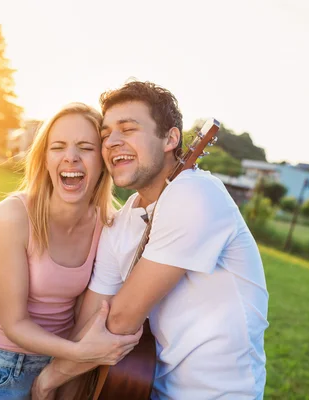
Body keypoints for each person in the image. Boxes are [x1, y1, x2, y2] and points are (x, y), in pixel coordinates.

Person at [33, 81, 269, 400]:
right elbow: (89, 320)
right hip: (145, 389)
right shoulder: (121, 220)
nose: (112, 142)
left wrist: (49, 379)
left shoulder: (196, 194)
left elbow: (119, 320)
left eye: (128, 129)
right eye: (105, 135)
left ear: (171, 139)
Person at [0, 103, 143, 400]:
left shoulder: (107, 225)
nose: (71, 157)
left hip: (62, 366)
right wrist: (80, 353)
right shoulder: (12, 216)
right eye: (58, 147)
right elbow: (14, 324)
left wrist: (67, 367)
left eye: (85, 147)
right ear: (44, 158)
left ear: (104, 160)